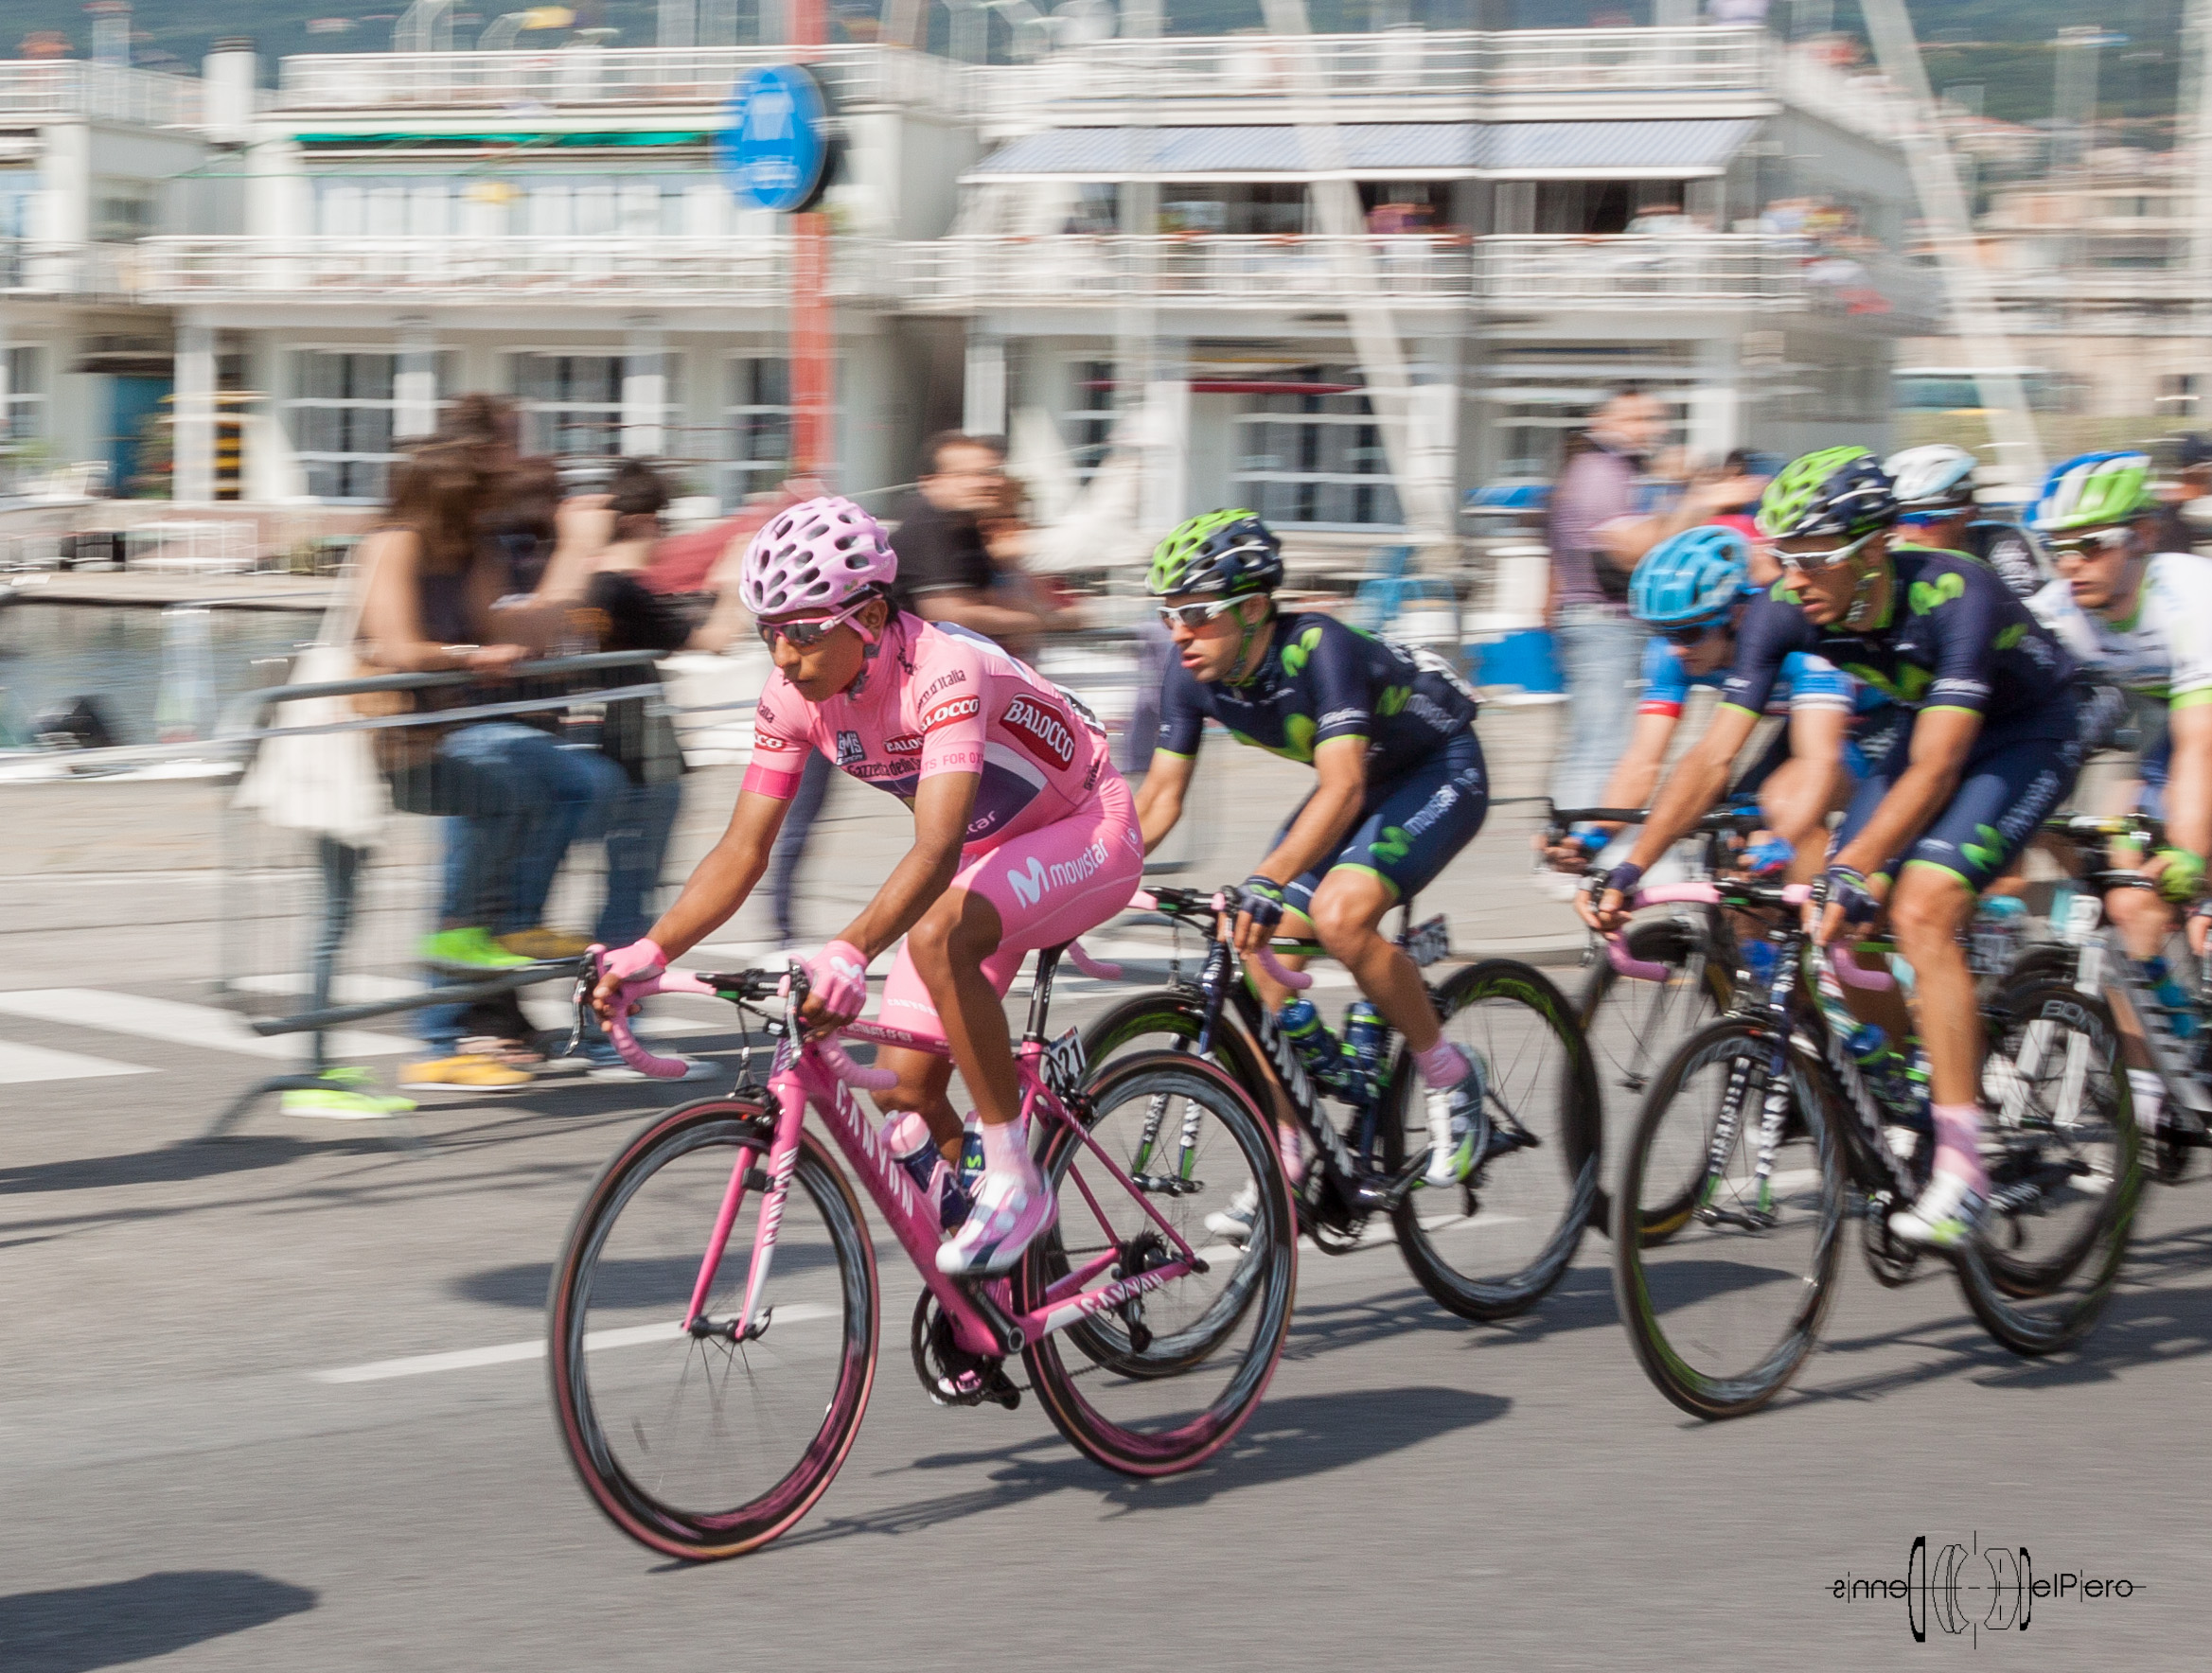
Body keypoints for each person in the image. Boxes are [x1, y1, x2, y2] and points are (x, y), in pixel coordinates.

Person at [592, 496, 1142, 1275]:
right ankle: (1008, 1268)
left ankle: (1016, 1180)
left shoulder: (945, 671)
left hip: (1088, 829)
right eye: (769, 631)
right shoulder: (791, 698)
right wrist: (647, 950)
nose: (782, 656)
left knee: (940, 933)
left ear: (871, 617)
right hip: (993, 861)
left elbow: (939, 844)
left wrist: (848, 951)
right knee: (904, 1090)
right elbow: (742, 850)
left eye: (803, 631)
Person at [1581, 448, 2084, 1250]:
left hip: (2026, 732)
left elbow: (1938, 766)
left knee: (1921, 905)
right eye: (1783, 559)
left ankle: (1962, 1172)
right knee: (1843, 920)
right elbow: (1710, 759)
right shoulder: (1785, 609)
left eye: (1814, 559)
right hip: (1925, 729)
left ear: (1874, 548)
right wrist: (1631, 863)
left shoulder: (1956, 591)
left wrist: (1853, 865)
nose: (1795, 578)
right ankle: (1915, 1079)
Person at [1132, 508, 1493, 1226]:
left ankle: (1449, 1078)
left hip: (1437, 768)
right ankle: (1291, 1159)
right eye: (1169, 613)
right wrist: (1080, 878)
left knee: (1338, 913)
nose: (1179, 632)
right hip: (1361, 782)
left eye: (1197, 613)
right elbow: (1159, 799)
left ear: (1254, 608)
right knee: (1247, 941)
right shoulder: (1190, 671)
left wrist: (1267, 879)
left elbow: (1344, 788)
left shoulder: (1317, 648)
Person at [356, 439, 611, 1092]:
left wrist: (576, 561)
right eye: (481, 506)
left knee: (575, 783)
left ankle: (506, 929)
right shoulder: (395, 544)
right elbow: (395, 645)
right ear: (451, 502)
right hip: (390, 742)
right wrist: (472, 657)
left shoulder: (472, 551)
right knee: (474, 853)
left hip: (446, 731)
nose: (493, 520)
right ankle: (439, 1033)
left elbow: (513, 635)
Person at [2023, 452, 2212, 1140]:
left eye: (2089, 544)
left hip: (2200, 731)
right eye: (2055, 547)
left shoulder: (2190, 598)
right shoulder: (2056, 613)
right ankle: (2159, 1075)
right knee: (2130, 897)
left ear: (2141, 536)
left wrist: (2188, 854)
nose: (2069, 562)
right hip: (2180, 735)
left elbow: (2199, 747)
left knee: (2182, 863)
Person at [1546, 522, 1882, 885]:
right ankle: (1757, 941)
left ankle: (1819, 927)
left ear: (1736, 617)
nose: (1676, 648)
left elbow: (1820, 761)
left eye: (1689, 633)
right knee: (1733, 839)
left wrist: (1784, 840)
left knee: (1783, 807)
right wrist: (1595, 835)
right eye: (1663, 633)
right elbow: (1642, 761)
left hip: (1871, 722)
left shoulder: (1794, 647)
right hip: (1804, 725)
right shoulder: (1672, 654)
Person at [1545, 389, 1764, 807]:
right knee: (1602, 746)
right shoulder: (1602, 471)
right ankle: (1574, 845)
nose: (1651, 429)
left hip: (1594, 616)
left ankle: (1583, 837)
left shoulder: (1612, 469)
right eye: (1637, 419)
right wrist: (1702, 500)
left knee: (1601, 740)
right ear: (1601, 424)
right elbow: (1635, 553)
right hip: (1603, 621)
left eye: (1655, 419)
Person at [889, 432, 1076, 652]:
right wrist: (1045, 622)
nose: (992, 482)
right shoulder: (929, 523)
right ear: (934, 481)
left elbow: (995, 599)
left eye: (994, 473)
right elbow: (951, 615)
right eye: (973, 475)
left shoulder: (966, 527)